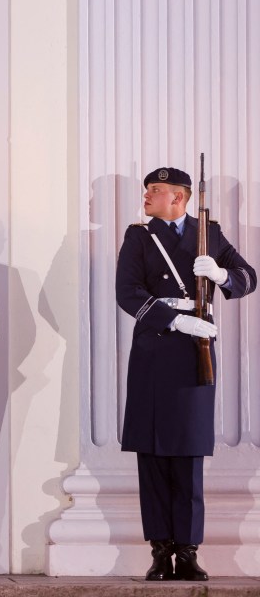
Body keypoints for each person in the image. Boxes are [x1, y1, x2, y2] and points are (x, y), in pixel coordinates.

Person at [116, 167, 256, 582]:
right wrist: (175, 322)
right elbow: (128, 292)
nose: (146, 195)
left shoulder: (208, 233)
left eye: (155, 190)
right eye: (146, 190)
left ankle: (189, 552)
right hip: (155, 349)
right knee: (154, 455)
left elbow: (248, 277)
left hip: (197, 353)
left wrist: (221, 275)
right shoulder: (139, 236)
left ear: (179, 197)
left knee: (188, 456)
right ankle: (160, 551)